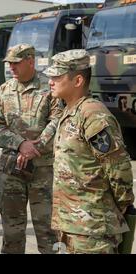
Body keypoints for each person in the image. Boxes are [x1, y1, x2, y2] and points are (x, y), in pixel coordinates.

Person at [44, 49, 135, 254]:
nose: (50, 81)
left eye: (57, 76)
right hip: (71, 225)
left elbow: (118, 170)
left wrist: (118, 207)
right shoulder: (68, 112)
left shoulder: (93, 115)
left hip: (93, 230)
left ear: (77, 81)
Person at [0, 44, 61, 254]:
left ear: (31, 61)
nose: (12, 67)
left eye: (16, 63)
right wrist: (20, 144)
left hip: (44, 170)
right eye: (9, 63)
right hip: (12, 171)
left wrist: (34, 146)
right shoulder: (4, 90)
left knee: (50, 232)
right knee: (12, 234)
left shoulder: (50, 88)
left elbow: (57, 121)